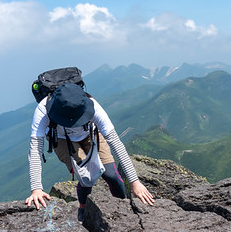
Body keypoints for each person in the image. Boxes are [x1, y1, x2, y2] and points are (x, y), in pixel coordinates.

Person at [25, 82, 154, 218]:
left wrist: (135, 182)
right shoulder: (43, 110)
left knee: (112, 176)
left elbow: (116, 143)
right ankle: (83, 209)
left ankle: (124, 209)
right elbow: (35, 150)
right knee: (87, 177)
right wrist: (36, 189)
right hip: (62, 139)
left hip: (91, 133)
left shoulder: (93, 105)